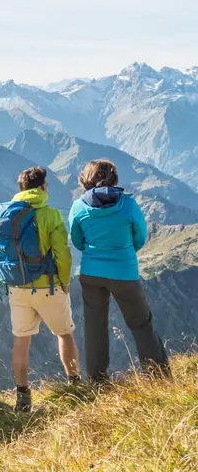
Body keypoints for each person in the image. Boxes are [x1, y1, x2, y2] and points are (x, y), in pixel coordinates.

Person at [69, 159, 171, 382]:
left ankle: (98, 381)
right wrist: (123, 251)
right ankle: (158, 378)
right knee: (141, 325)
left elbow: (77, 241)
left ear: (86, 179)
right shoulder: (128, 205)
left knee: (94, 327)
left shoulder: (78, 207)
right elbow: (140, 237)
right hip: (124, 273)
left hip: (91, 273)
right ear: (114, 178)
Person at [0, 167, 81, 413]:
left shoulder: (5, 216)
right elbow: (62, 253)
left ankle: (22, 397)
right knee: (64, 334)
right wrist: (64, 281)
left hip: (17, 286)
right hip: (48, 285)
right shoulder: (51, 215)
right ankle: (75, 385)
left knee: (21, 340)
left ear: (21, 188)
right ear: (43, 187)